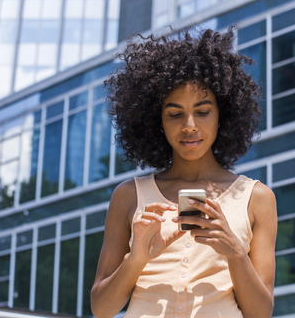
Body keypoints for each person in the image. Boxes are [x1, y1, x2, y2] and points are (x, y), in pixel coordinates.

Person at [90, 27, 278, 318]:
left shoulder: (257, 198)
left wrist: (235, 252)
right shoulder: (129, 196)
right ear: (158, 121)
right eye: (175, 114)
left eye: (202, 111)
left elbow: (261, 313)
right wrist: (137, 257)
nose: (189, 125)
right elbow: (101, 309)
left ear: (222, 115)